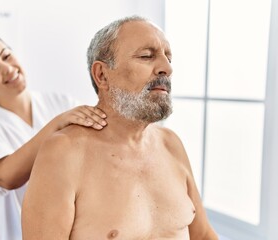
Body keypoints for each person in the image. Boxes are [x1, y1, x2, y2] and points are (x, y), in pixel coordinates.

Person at [22, 16, 219, 240]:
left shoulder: (171, 143)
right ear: (102, 75)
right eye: (147, 56)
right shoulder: (63, 152)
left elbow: (203, 235)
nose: (166, 68)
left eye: (168, 57)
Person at [0, 29, 107, 240]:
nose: (7, 69)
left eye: (6, 56)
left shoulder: (61, 103)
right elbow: (6, 177)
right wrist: (56, 124)